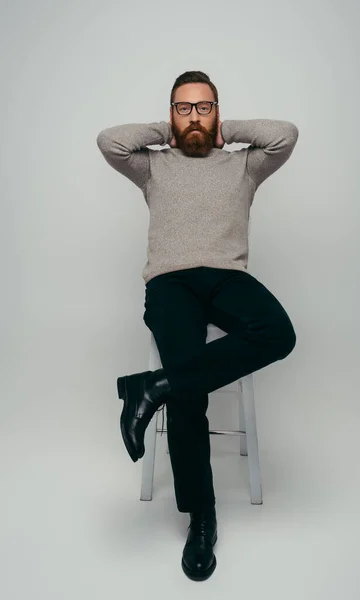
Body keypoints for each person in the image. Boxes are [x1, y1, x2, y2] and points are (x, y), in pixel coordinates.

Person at [96, 70, 299, 581]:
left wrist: (226, 130)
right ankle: (201, 518)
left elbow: (285, 134)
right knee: (191, 390)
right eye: (183, 108)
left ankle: (153, 387)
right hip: (170, 284)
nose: (194, 117)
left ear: (217, 113)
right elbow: (109, 141)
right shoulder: (152, 167)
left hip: (226, 277)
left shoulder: (244, 166)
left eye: (203, 108)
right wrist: (163, 131)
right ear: (170, 115)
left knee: (279, 332)